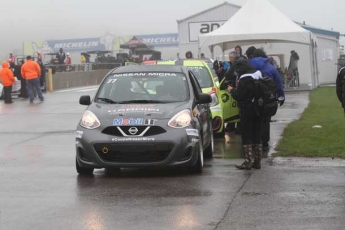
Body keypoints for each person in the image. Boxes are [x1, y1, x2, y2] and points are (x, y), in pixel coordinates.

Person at [227, 60, 263, 170]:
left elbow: (239, 95)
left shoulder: (245, 79)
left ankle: (248, 161)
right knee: (257, 134)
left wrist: (232, 90)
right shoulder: (258, 73)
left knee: (247, 135)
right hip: (258, 108)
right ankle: (257, 161)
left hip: (247, 109)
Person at [249, 49, 285, 154]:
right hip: (267, 99)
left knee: (253, 121)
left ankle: (254, 142)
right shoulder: (271, 68)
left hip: (253, 98)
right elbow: (278, 83)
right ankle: (264, 144)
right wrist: (281, 96)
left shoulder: (249, 67)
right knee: (265, 120)